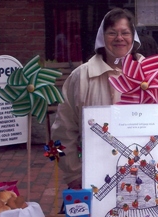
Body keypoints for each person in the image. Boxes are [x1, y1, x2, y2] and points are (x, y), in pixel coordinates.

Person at [51, 8, 142, 189]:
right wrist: (74, 174)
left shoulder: (148, 75)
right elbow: (63, 130)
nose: (119, 38)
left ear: (133, 37)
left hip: (140, 174)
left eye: (125, 33)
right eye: (112, 33)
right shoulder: (81, 77)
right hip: (92, 175)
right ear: (102, 37)